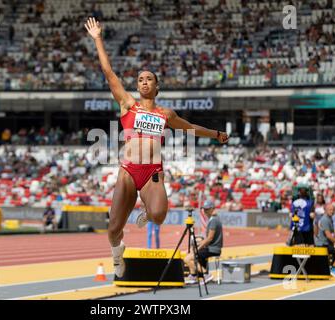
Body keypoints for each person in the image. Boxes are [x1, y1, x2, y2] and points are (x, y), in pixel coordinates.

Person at [84, 17, 229, 277]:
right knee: (113, 229)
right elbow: (109, 73)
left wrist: (216, 134)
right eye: (140, 79)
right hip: (128, 170)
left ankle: (145, 210)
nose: (143, 82)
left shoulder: (166, 114)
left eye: (148, 79)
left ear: (156, 86)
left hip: (152, 171)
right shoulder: (129, 104)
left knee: (159, 215)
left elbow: (190, 128)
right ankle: (118, 254)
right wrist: (97, 38)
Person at [184, 200, 223, 284]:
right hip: (212, 247)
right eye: (204, 209)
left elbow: (209, 238)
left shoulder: (213, 220)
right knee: (191, 251)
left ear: (212, 208)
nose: (205, 211)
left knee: (187, 258)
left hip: (213, 249)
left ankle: (206, 274)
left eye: (207, 209)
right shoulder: (214, 219)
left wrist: (198, 247)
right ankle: (193, 275)